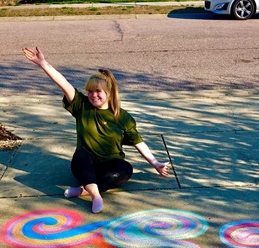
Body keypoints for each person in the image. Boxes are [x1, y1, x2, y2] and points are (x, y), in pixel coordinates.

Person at [22, 47, 170, 214]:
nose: (93, 95)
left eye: (98, 91)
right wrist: (43, 63)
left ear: (109, 92)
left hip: (110, 166)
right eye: (90, 91)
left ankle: (83, 190)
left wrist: (155, 163)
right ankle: (95, 196)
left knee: (125, 170)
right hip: (86, 165)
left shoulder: (122, 117)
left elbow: (137, 141)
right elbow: (63, 83)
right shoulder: (81, 106)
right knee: (80, 156)